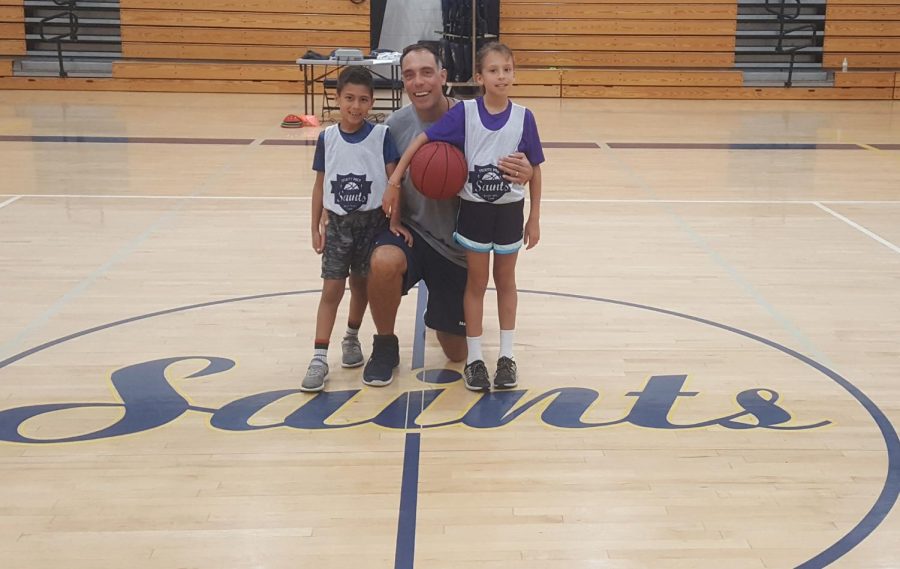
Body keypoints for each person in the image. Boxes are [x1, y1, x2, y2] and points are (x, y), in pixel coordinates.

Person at [362, 43, 534, 387]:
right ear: (403, 82)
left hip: (456, 246)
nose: (418, 82)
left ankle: (442, 317)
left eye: (427, 73)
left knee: (456, 353)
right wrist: (390, 208)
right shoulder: (394, 126)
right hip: (411, 232)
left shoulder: (469, 117)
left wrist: (525, 171)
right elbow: (381, 183)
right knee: (382, 261)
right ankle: (384, 344)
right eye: (409, 75)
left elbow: (514, 156)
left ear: (443, 77)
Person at [301, 66, 406, 392]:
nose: (356, 106)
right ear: (337, 99)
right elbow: (319, 186)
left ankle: (351, 337)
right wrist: (315, 226)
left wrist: (395, 220)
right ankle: (319, 357)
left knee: (361, 288)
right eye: (349, 98)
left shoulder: (381, 136)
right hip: (337, 224)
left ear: (372, 102)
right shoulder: (327, 138)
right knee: (331, 290)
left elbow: (394, 181)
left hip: (371, 223)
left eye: (363, 100)